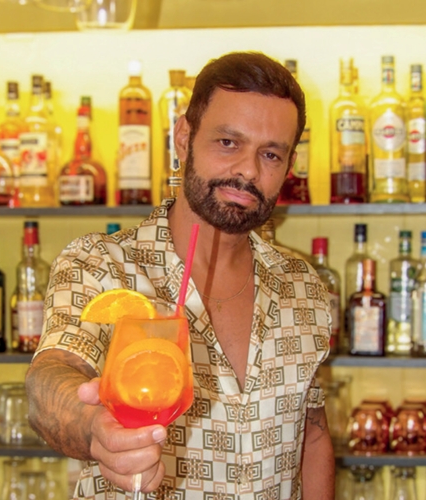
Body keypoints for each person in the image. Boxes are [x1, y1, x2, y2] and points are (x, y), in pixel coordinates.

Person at [25, 51, 335, 500]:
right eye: (228, 142)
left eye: (270, 154)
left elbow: (312, 432)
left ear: (288, 167)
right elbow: (51, 378)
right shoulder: (102, 264)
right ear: (184, 138)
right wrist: (94, 428)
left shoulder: (303, 286)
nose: (248, 170)